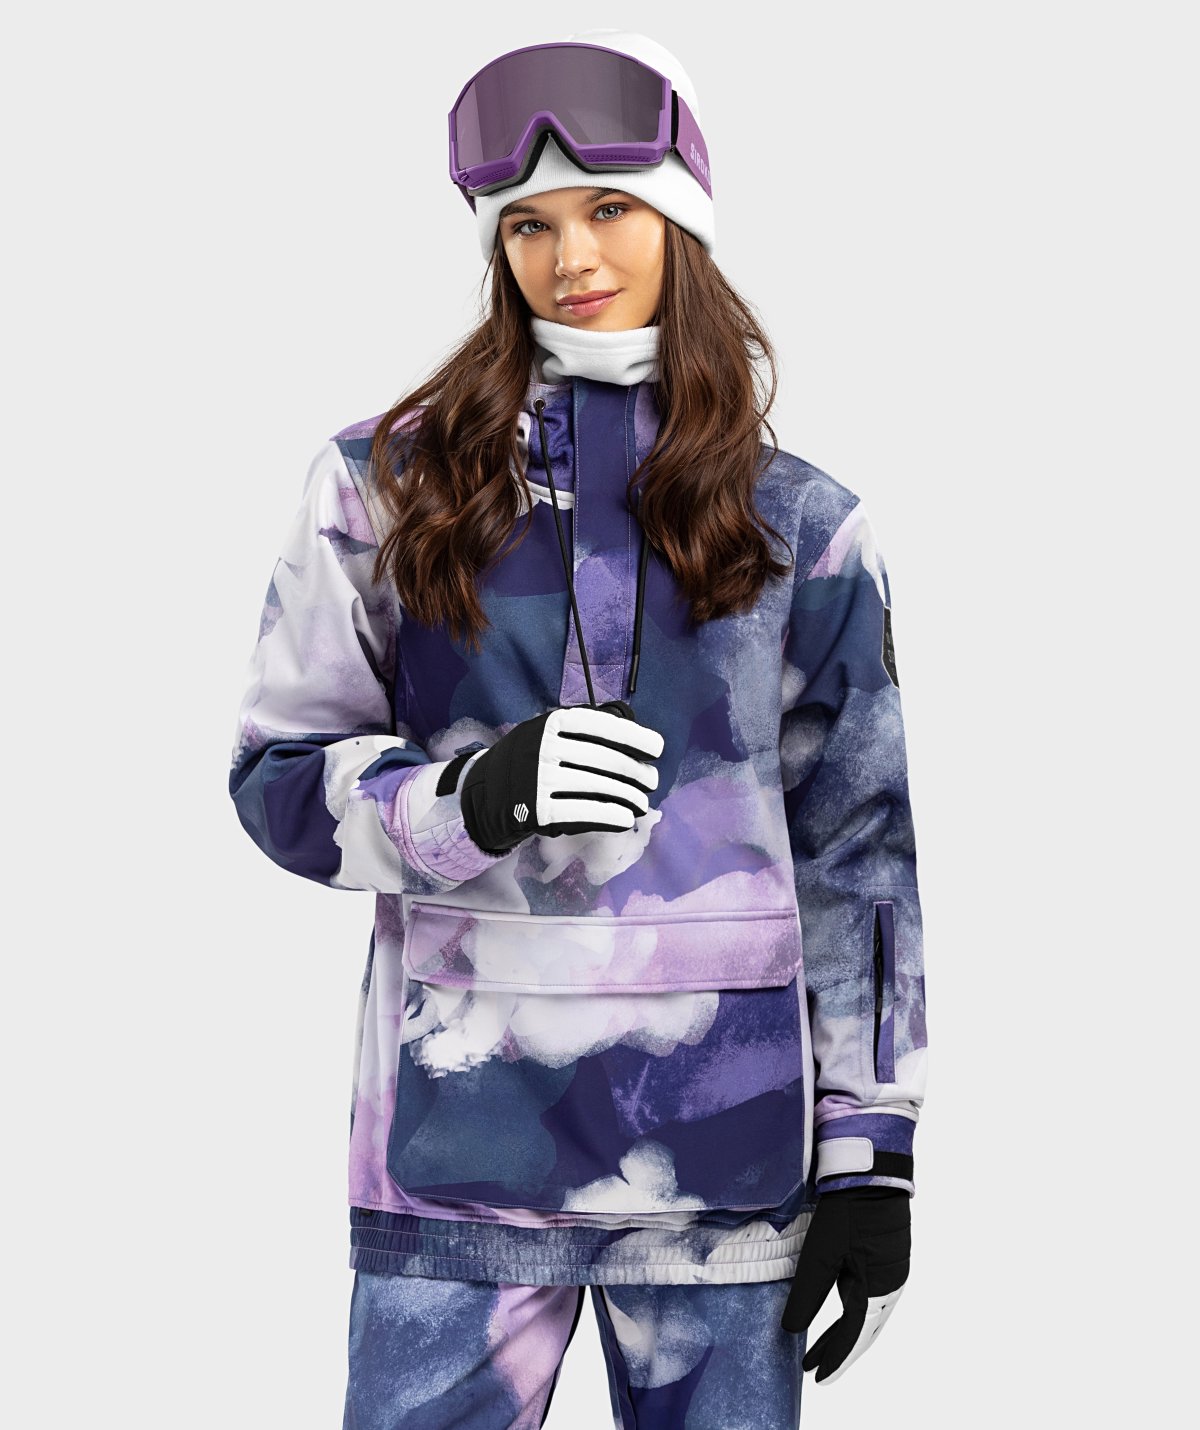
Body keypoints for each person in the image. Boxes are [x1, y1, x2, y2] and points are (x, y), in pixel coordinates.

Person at [228, 29, 928, 1429]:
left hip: (724, 1175)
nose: (572, 257)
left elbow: (860, 855)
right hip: (457, 1166)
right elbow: (275, 778)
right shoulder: (382, 489)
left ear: (682, 217)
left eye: (610, 206)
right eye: (529, 224)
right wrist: (472, 795)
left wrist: (870, 1157)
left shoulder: (804, 525)